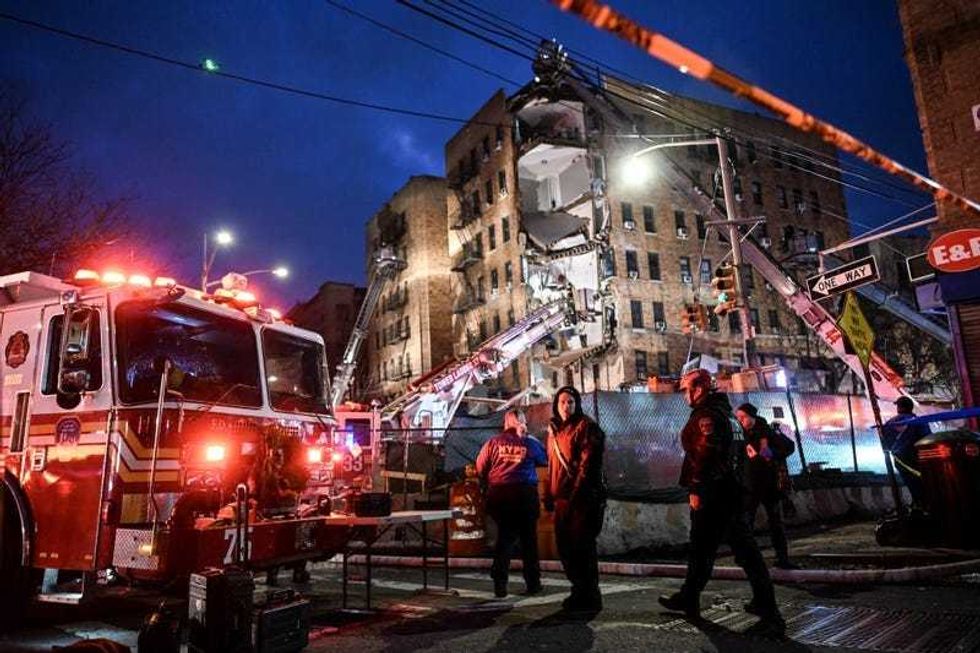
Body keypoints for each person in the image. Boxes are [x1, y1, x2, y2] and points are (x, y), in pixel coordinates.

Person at [659, 370, 784, 633]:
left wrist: (696, 488)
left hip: (715, 495)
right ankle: (690, 596)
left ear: (702, 388)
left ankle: (770, 612)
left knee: (732, 551)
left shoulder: (708, 416)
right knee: (708, 550)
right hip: (730, 491)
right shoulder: (726, 414)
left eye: (688, 389)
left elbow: (705, 454)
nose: (685, 395)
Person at [543, 385, 606, 612]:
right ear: (556, 405)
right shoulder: (555, 432)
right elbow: (552, 467)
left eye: (571, 402)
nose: (567, 406)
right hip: (562, 500)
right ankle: (579, 590)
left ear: (577, 404)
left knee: (582, 548)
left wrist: (574, 495)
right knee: (566, 548)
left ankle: (589, 595)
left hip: (582, 501)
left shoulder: (587, 427)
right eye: (562, 402)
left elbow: (587, 467)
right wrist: (548, 496)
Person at [475, 409, 547, 598]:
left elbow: (480, 467)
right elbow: (543, 459)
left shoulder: (493, 442)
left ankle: (500, 584)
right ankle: (533, 584)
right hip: (524, 495)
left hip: (500, 495)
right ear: (523, 422)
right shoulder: (530, 442)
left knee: (505, 539)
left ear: (505, 423)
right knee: (529, 541)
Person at [735, 402, 798, 570]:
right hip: (750, 485)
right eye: (738, 418)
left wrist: (772, 453)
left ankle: (782, 557)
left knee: (775, 522)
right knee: (747, 522)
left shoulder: (767, 432)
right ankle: (746, 557)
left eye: (743, 417)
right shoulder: (741, 435)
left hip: (769, 484)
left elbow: (789, 446)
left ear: (752, 416)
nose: (740, 420)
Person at [882, 396, 932, 508]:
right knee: (923, 485)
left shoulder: (891, 423)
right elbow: (928, 438)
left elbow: (884, 441)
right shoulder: (919, 421)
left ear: (900, 407)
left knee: (911, 484)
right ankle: (924, 506)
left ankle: (919, 505)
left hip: (900, 461)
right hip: (918, 459)